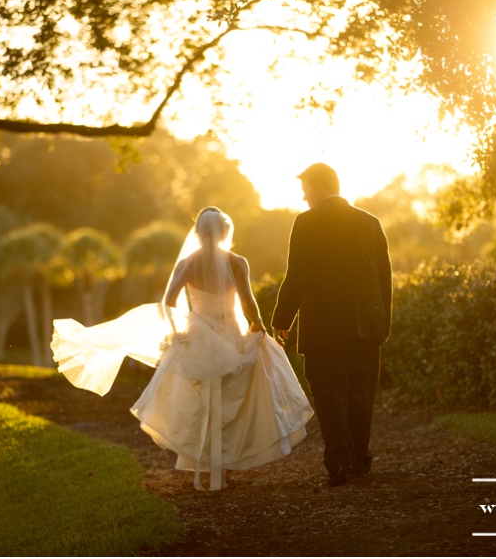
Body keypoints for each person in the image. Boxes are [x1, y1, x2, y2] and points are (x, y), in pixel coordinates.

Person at [51, 207, 313, 491]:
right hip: (231, 337)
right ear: (226, 232)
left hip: (198, 340)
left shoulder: (187, 264)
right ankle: (224, 468)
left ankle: (210, 467)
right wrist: (258, 325)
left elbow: (169, 303)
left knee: (203, 405)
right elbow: (248, 302)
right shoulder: (237, 262)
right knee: (228, 403)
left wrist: (180, 333)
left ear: (199, 233)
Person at [271, 163, 392, 488]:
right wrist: (383, 324)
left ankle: (339, 464)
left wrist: (282, 320)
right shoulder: (370, 222)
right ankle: (360, 462)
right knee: (360, 395)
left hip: (324, 329)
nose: (304, 197)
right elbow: (384, 278)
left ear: (320, 188)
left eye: (306, 189)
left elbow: (297, 274)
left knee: (328, 395)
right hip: (367, 327)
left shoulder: (307, 223)